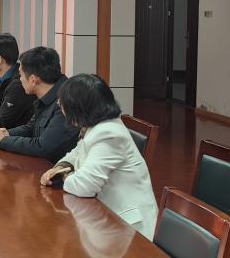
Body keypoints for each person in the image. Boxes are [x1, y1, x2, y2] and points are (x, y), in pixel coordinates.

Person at [40, 74, 158, 239]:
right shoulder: (97, 125)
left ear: (78, 107)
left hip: (128, 229)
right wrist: (61, 167)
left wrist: (66, 175)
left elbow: (84, 186)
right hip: (105, 216)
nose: (61, 107)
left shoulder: (108, 133)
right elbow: (77, 152)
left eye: (62, 103)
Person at [0, 46, 78, 163]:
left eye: (21, 75)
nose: (19, 79)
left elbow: (43, 146)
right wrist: (6, 133)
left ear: (33, 80)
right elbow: (31, 127)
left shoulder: (65, 102)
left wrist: (4, 140)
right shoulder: (47, 95)